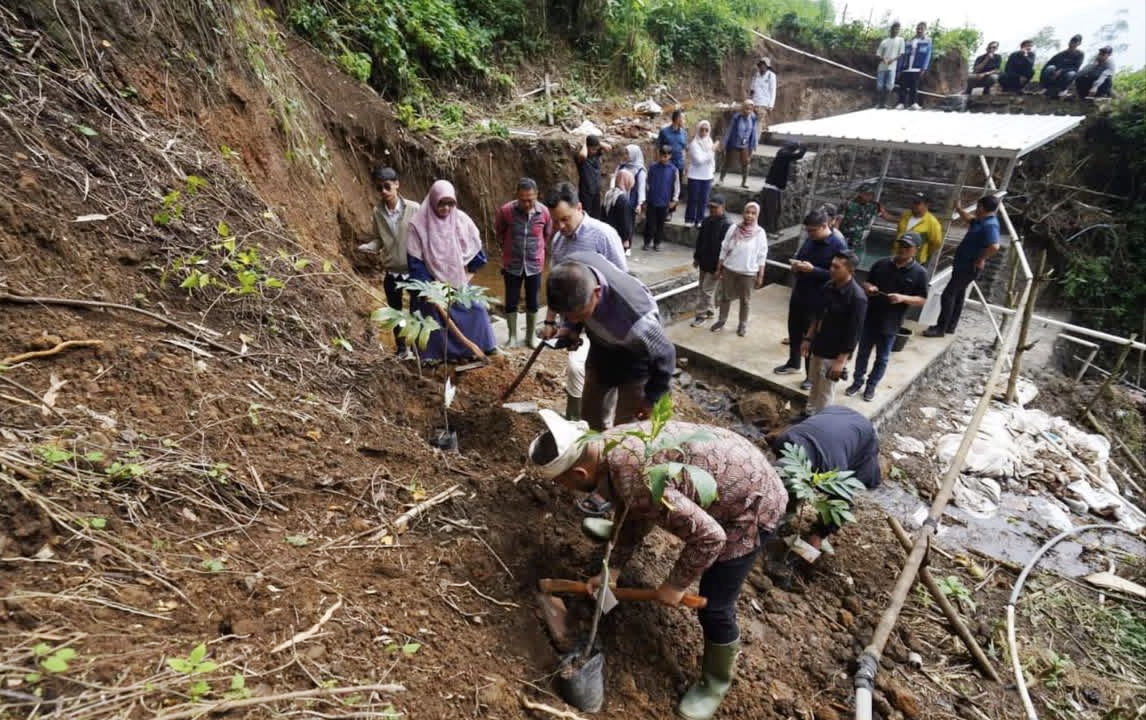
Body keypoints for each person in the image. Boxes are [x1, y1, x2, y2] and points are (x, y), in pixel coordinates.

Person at [528, 411, 787, 720]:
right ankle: (617, 547)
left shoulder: (637, 477)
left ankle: (714, 682)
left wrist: (675, 584)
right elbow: (634, 510)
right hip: (732, 467)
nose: (565, 488)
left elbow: (710, 537)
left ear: (581, 474)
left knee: (716, 606)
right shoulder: (609, 443)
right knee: (642, 509)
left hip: (751, 507)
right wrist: (615, 568)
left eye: (563, 482)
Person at [542, 254, 675, 433]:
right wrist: (571, 328)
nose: (573, 319)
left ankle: (615, 455)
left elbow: (666, 355)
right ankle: (595, 453)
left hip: (636, 361)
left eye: (580, 315)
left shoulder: (638, 319)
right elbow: (572, 308)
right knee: (590, 416)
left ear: (597, 292)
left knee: (627, 428)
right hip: (601, 352)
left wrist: (652, 399)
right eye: (567, 315)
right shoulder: (574, 269)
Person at [545, 182, 629, 423]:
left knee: (604, 377)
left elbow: (622, 281)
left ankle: (602, 426)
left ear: (579, 207)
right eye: (556, 221)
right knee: (575, 369)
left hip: (607, 320)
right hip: (576, 321)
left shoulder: (603, 235)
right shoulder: (560, 242)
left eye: (565, 219)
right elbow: (556, 287)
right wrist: (552, 321)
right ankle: (574, 420)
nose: (561, 227)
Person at [769, 407, 880, 561]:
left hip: (854, 426)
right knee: (788, 487)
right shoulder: (783, 442)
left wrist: (819, 536)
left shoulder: (835, 470)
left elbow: (840, 505)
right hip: (834, 413)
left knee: (855, 481)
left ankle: (786, 513)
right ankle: (784, 512)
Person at [406, 180, 497, 362]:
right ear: (433, 201)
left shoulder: (461, 221)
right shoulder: (417, 225)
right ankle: (434, 357)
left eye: (450, 203)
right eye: (442, 203)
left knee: (477, 310)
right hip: (431, 286)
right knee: (429, 315)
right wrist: (431, 289)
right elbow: (415, 262)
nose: (446, 208)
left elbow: (477, 256)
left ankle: (481, 349)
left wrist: (464, 278)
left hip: (458, 283)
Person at [845, 233, 929, 402]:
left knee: (882, 358)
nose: (903, 249)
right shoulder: (881, 264)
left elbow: (921, 299)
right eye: (901, 245)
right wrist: (870, 287)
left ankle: (871, 386)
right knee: (862, 352)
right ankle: (857, 382)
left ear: (916, 250)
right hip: (870, 316)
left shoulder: (919, 273)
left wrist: (903, 298)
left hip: (891, 322)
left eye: (907, 247)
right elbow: (866, 282)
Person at [775, 210, 848, 385]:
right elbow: (801, 257)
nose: (810, 234)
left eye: (813, 230)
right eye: (808, 231)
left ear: (825, 226)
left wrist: (814, 270)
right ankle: (793, 362)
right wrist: (797, 266)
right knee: (794, 330)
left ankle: (810, 375)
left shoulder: (838, 246)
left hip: (819, 298)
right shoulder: (810, 240)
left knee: (811, 338)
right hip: (800, 292)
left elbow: (839, 275)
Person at [357, 166, 420, 360]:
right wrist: (370, 246)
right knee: (395, 313)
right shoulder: (377, 211)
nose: (383, 192)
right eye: (379, 188)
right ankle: (402, 350)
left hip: (413, 269)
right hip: (392, 270)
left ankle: (419, 351)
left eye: (386, 187)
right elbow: (379, 238)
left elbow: (425, 236)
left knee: (416, 311)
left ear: (396, 185)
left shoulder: (414, 208)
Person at [923, 195, 1000, 338]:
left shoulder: (990, 225)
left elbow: (994, 246)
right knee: (958, 294)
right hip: (962, 264)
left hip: (969, 266)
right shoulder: (981, 221)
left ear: (982, 207)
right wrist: (958, 208)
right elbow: (969, 219)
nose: (976, 209)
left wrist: (980, 258)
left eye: (978, 206)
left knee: (948, 294)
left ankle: (940, 328)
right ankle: (950, 327)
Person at [801, 251, 867, 414]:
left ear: (850, 270)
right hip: (819, 344)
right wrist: (808, 338)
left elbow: (853, 333)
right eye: (831, 265)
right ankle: (809, 414)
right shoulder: (828, 286)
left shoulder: (857, 298)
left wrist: (840, 361)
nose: (831, 269)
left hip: (834, 351)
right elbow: (818, 315)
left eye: (837, 267)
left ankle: (820, 423)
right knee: (814, 382)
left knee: (825, 391)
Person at [496, 178, 552, 349]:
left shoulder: (544, 213)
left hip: (534, 264)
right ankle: (512, 336)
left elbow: (547, 234)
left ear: (537, 195)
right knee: (511, 300)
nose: (527, 203)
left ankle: (530, 337)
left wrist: (537, 252)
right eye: (523, 199)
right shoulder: (506, 212)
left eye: (530, 199)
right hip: (512, 264)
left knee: (533, 301)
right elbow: (499, 233)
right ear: (516, 196)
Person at [710, 202, 767, 338]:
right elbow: (724, 249)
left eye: (753, 213)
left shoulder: (760, 233)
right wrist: (719, 268)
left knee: (745, 300)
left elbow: (762, 255)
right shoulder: (733, 228)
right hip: (730, 268)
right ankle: (722, 320)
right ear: (743, 213)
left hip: (748, 272)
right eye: (747, 212)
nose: (749, 216)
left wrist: (760, 275)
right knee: (725, 297)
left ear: (757, 215)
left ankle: (742, 324)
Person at [691, 194, 733, 327]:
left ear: (723, 207)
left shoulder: (727, 225)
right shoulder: (707, 221)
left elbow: (727, 248)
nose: (712, 210)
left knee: (706, 289)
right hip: (704, 260)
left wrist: (720, 266)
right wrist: (697, 257)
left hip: (716, 263)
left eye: (715, 207)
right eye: (711, 207)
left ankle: (700, 315)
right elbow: (700, 240)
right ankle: (709, 310)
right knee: (703, 287)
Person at [759, 142, 808, 234]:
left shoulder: (783, 154)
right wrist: (804, 147)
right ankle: (769, 231)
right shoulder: (783, 154)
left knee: (777, 211)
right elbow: (799, 155)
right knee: (771, 212)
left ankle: (774, 230)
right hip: (771, 188)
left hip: (776, 188)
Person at [885, 192, 943, 265]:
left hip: (915, 261)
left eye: (917, 203)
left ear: (927, 205)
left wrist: (921, 253)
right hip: (896, 256)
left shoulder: (933, 223)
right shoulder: (906, 214)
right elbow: (899, 232)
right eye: (912, 202)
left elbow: (936, 243)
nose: (913, 205)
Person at [644, 145, 680, 252]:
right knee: (650, 223)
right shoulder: (652, 167)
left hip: (665, 201)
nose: (664, 157)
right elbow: (646, 183)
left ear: (670, 156)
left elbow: (676, 186)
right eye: (662, 155)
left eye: (667, 155)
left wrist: (674, 199)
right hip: (652, 200)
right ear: (659, 155)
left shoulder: (673, 170)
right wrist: (645, 198)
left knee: (660, 224)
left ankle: (657, 243)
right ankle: (647, 242)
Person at [718, 100, 757, 189]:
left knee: (746, 162)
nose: (748, 111)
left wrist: (754, 143)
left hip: (745, 144)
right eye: (746, 109)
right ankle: (721, 179)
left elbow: (753, 132)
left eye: (750, 109)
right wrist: (724, 143)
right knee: (728, 161)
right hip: (734, 142)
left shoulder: (753, 118)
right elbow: (729, 130)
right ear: (743, 108)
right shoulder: (737, 117)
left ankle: (744, 181)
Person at [612, 145, 648, 242]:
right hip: (618, 198)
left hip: (631, 200)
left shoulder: (640, 171)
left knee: (628, 223)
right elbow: (614, 179)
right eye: (625, 153)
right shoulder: (621, 166)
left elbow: (641, 187)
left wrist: (639, 203)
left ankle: (628, 243)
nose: (625, 155)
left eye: (627, 153)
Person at [836, 183, 881, 258]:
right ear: (860, 193)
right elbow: (837, 220)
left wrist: (902, 218)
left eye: (871, 194)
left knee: (855, 261)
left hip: (859, 241)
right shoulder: (848, 204)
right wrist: (836, 236)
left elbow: (885, 215)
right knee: (840, 258)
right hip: (845, 239)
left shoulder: (873, 206)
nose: (869, 196)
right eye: (866, 194)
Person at [685, 120, 716, 227]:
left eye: (706, 130)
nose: (704, 132)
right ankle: (689, 219)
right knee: (693, 198)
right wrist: (711, 151)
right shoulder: (694, 144)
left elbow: (711, 160)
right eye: (702, 129)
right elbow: (699, 160)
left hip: (706, 175)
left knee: (704, 199)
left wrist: (712, 171)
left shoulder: (709, 141)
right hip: (695, 175)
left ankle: (700, 219)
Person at [896, 22, 932, 110]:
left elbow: (928, 54)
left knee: (914, 87)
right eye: (918, 28)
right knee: (903, 86)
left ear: (925, 30)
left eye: (921, 29)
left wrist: (924, 67)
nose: (919, 30)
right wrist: (900, 67)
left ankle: (913, 103)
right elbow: (903, 54)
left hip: (917, 67)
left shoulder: (927, 40)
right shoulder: (909, 40)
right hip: (906, 67)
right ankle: (901, 103)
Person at [603, 169, 637, 255]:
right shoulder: (623, 199)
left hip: (607, 233)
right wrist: (626, 239)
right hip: (618, 237)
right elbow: (625, 221)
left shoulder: (609, 194)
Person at [577, 135, 611, 219]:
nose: (594, 151)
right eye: (592, 149)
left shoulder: (596, 154)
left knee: (596, 214)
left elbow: (608, 147)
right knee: (586, 215)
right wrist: (585, 142)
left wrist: (597, 142)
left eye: (596, 149)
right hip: (586, 191)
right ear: (587, 147)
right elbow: (583, 155)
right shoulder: (582, 159)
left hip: (596, 190)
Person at [1040, 34, 1084, 99]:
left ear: (1079, 44)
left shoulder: (1080, 54)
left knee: (1071, 74)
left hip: (1065, 75)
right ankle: (1045, 87)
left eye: (1075, 42)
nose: (1072, 43)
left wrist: (1062, 71)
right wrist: (1042, 76)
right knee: (1050, 68)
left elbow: (1076, 68)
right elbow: (1049, 63)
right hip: (1055, 74)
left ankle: (1063, 90)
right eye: (1072, 41)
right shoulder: (1062, 53)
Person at [657, 110, 689, 192]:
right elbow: (657, 149)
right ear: (678, 119)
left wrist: (685, 166)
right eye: (683, 118)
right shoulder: (664, 132)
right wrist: (658, 163)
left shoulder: (684, 133)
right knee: (665, 187)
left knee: (677, 189)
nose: (684, 120)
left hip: (679, 166)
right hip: (666, 165)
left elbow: (684, 150)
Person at [874, 22, 905, 108]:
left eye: (897, 29)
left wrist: (893, 60)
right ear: (891, 29)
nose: (896, 31)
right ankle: (879, 103)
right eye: (894, 29)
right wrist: (883, 59)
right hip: (882, 66)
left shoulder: (900, 40)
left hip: (892, 67)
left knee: (889, 86)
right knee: (879, 86)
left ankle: (885, 103)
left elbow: (901, 53)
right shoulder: (884, 41)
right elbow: (878, 54)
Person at [749, 57, 776, 134]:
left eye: (764, 65)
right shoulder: (756, 75)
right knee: (751, 123)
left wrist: (771, 105)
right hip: (754, 103)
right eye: (761, 64)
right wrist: (750, 100)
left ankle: (755, 142)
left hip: (763, 104)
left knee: (758, 124)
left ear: (767, 66)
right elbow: (752, 89)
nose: (762, 66)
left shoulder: (771, 76)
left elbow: (773, 90)